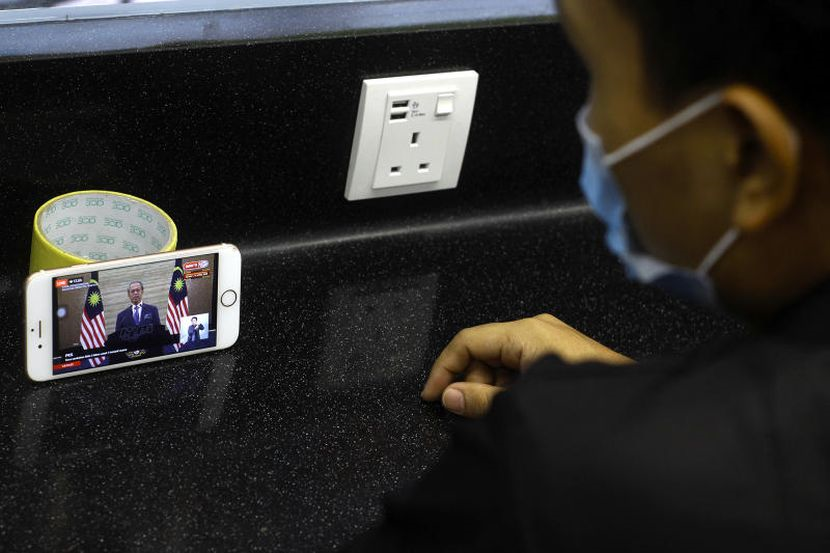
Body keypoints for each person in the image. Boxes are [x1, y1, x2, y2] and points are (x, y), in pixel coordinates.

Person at [344, 0, 830, 551]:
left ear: (750, 158)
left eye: (598, 76)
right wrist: (653, 406)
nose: (593, 124)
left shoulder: (549, 480)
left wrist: (601, 427)